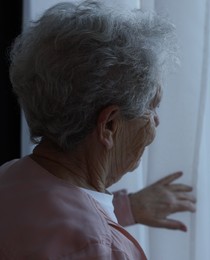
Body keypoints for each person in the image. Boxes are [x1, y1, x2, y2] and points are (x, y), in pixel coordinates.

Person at [0, 0, 195, 259]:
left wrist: (127, 208)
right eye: (152, 107)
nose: (156, 122)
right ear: (110, 125)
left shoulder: (9, 176)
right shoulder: (101, 249)